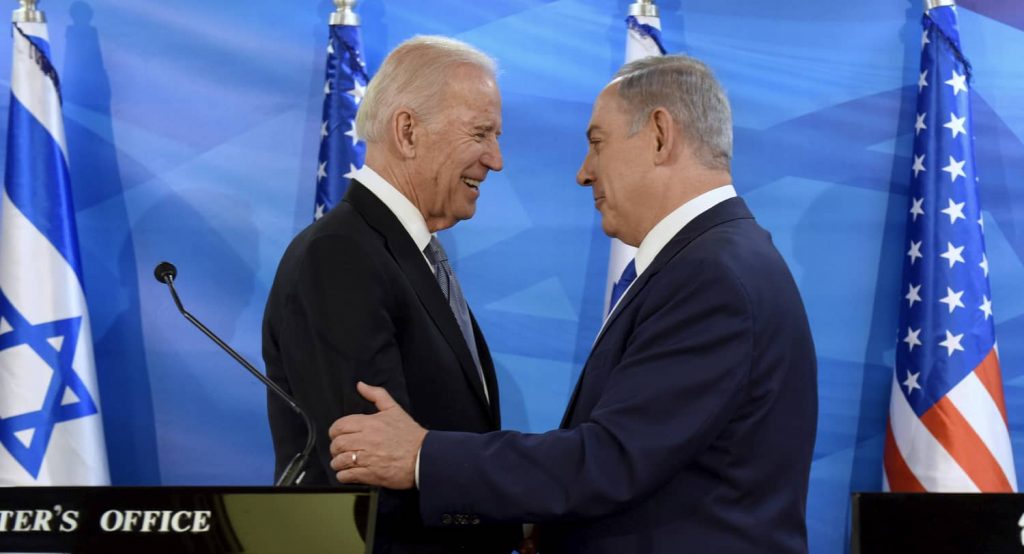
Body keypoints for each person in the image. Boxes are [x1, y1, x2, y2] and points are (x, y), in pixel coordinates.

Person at [327, 54, 818, 553]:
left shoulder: (712, 276)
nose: (584, 174)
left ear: (659, 135)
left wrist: (421, 456)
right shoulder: (716, 259)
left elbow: (612, 458)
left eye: (597, 143)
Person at [262, 36, 519, 553]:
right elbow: (367, 476)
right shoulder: (341, 255)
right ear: (407, 131)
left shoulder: (407, 254)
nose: (496, 159)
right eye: (481, 133)